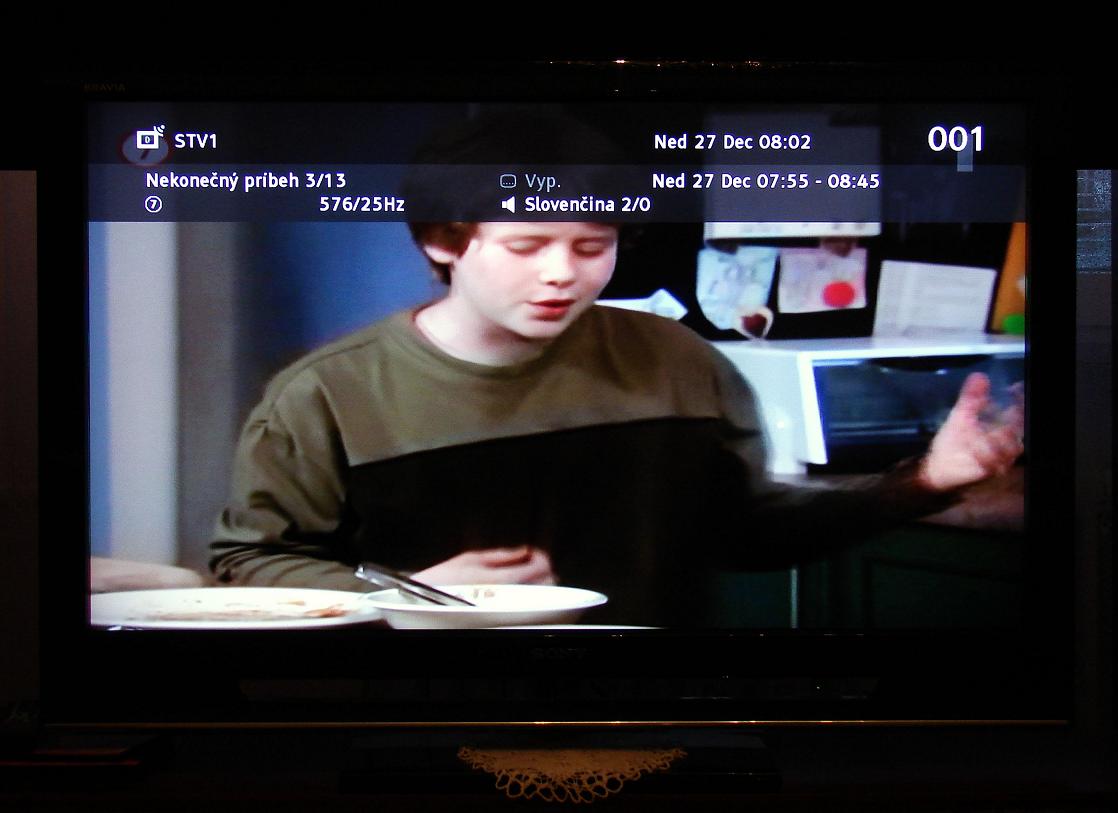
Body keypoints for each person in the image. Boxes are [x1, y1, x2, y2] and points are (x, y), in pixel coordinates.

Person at [209, 214, 1024, 626]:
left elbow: (746, 532)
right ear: (444, 241)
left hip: (665, 708)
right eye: (528, 245)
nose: (563, 273)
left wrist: (924, 481)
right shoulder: (325, 393)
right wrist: (413, 598)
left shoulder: (676, 358)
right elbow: (249, 563)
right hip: (429, 721)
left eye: (591, 245)